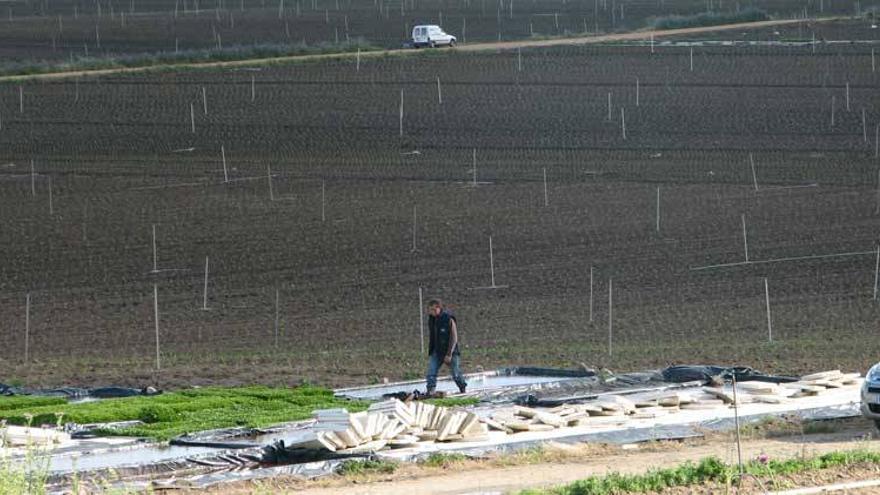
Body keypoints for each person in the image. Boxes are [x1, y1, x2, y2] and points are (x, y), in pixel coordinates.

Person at [425, 299, 467, 395]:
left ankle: (462, 388)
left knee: (455, 374)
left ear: (439, 308)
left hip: (450, 351)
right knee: (431, 372)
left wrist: (449, 354)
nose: (432, 312)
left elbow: (454, 338)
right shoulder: (431, 320)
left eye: (434, 309)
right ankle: (430, 390)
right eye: (430, 310)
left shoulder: (448, 319)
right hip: (436, 351)